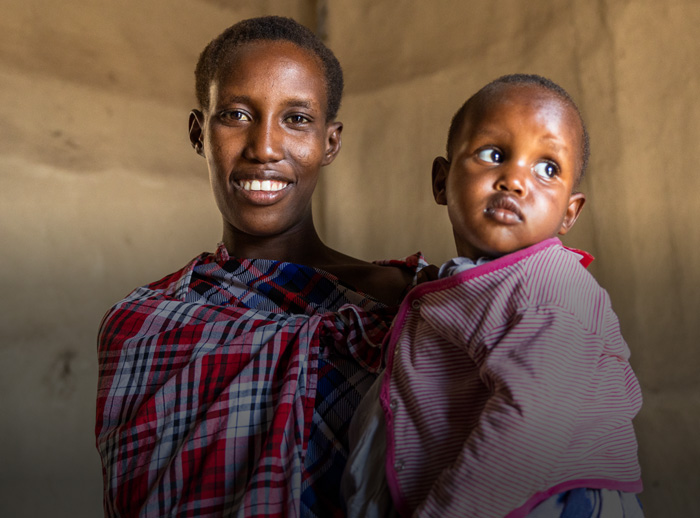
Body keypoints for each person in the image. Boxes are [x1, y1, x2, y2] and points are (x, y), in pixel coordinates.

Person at [95, 16, 429, 518]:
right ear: (198, 133)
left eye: (296, 118)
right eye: (235, 114)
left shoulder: (411, 308)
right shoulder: (143, 327)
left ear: (330, 142)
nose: (265, 147)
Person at [342, 74, 644, 517]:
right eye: (493, 154)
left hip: (547, 502)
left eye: (547, 168)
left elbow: (527, 426)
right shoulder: (464, 283)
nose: (515, 180)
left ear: (569, 213)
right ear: (441, 181)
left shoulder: (553, 289)